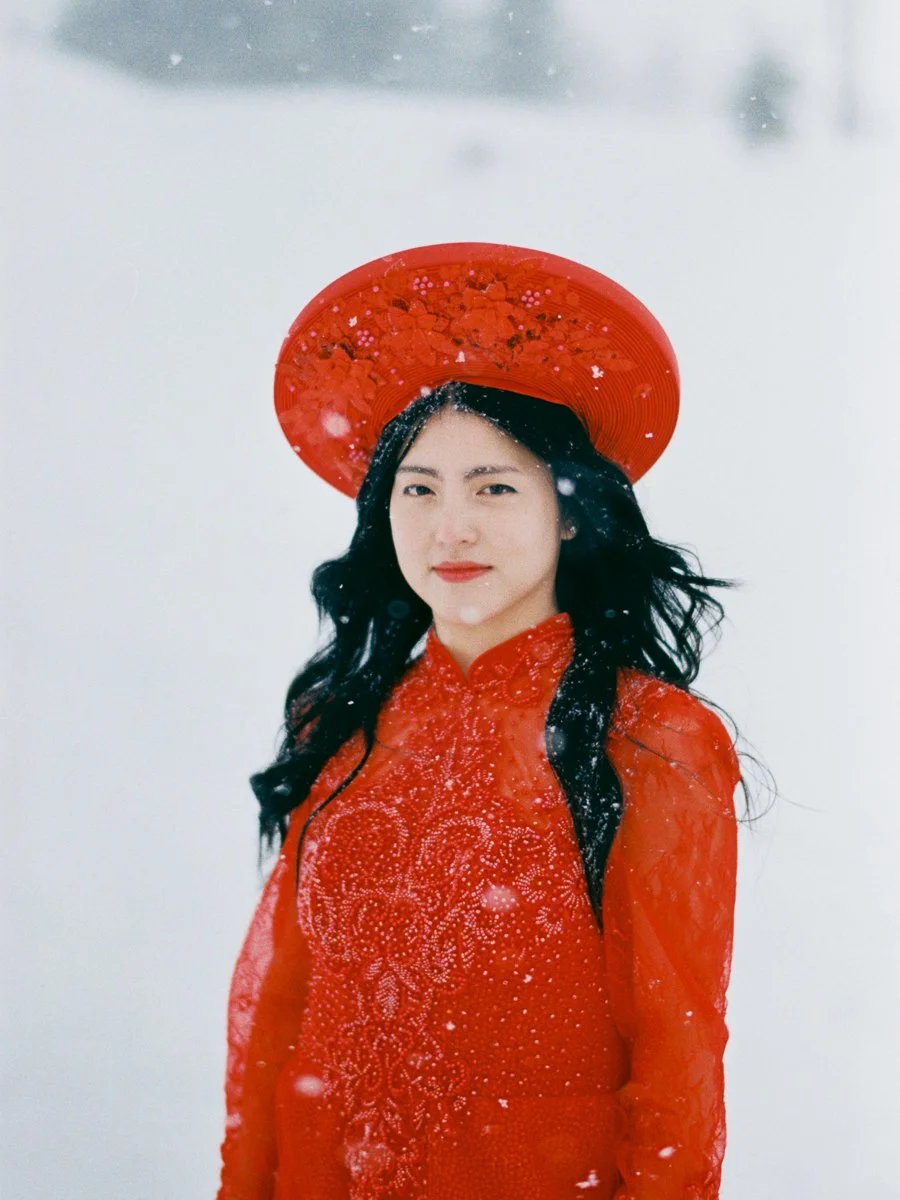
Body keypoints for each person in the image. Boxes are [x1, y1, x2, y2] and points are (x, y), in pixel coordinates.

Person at [215, 243, 762, 1200]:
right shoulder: (342, 718)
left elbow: (677, 1062)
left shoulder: (650, 737)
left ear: (571, 513)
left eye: (495, 487)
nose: (449, 527)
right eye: (418, 489)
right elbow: (279, 1022)